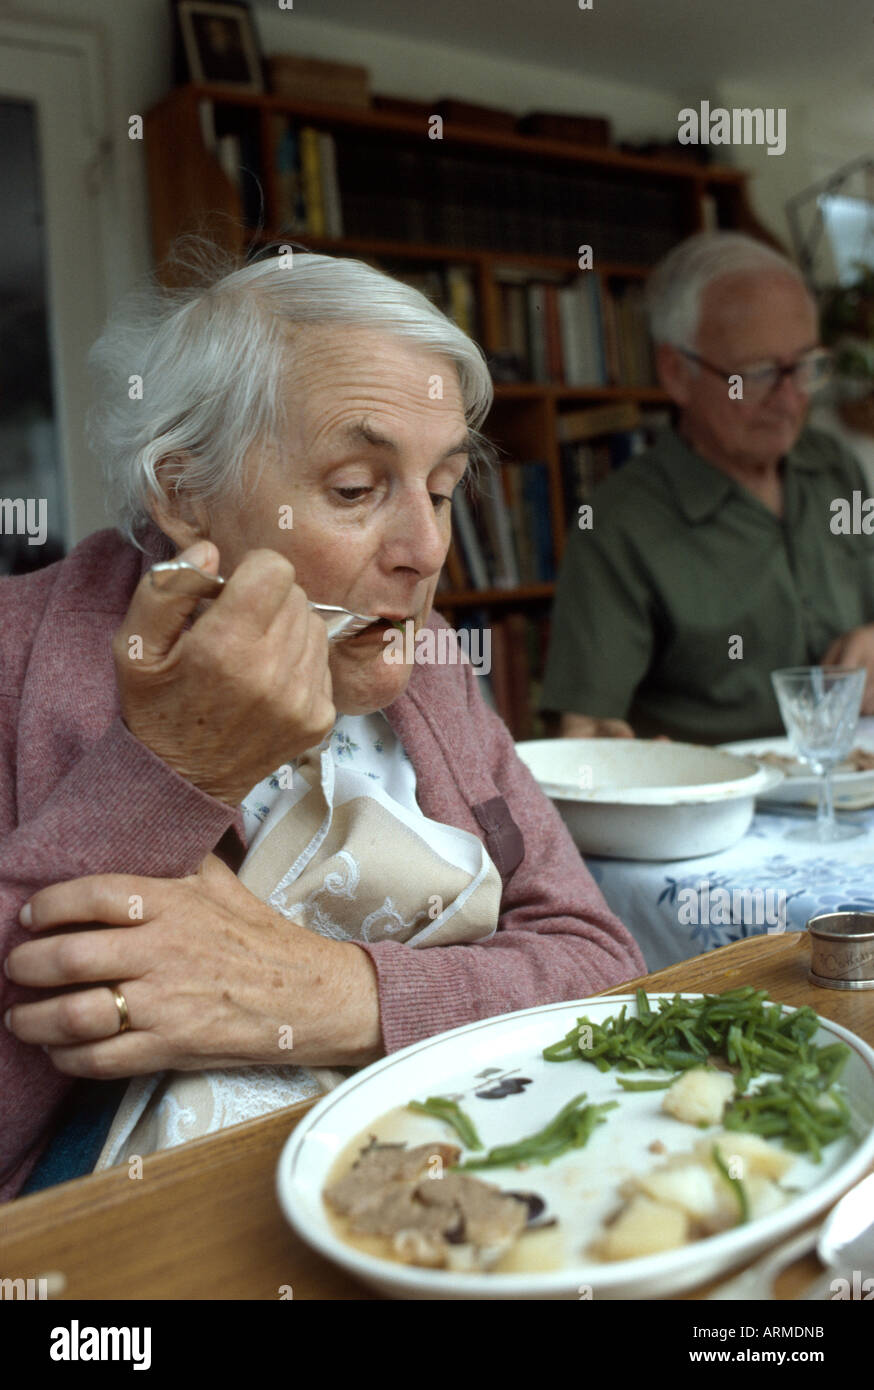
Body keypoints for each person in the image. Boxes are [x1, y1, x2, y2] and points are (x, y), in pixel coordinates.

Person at [0, 247, 644, 1200]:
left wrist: (332, 994)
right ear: (181, 493)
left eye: (439, 489)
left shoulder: (426, 663)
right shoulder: (18, 652)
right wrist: (173, 770)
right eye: (355, 490)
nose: (427, 553)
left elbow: (601, 965)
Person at [540, 231, 874, 745]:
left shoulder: (833, 467)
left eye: (806, 367)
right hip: (722, 806)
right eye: (759, 373)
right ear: (676, 372)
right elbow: (583, 734)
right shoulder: (619, 522)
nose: (789, 400)